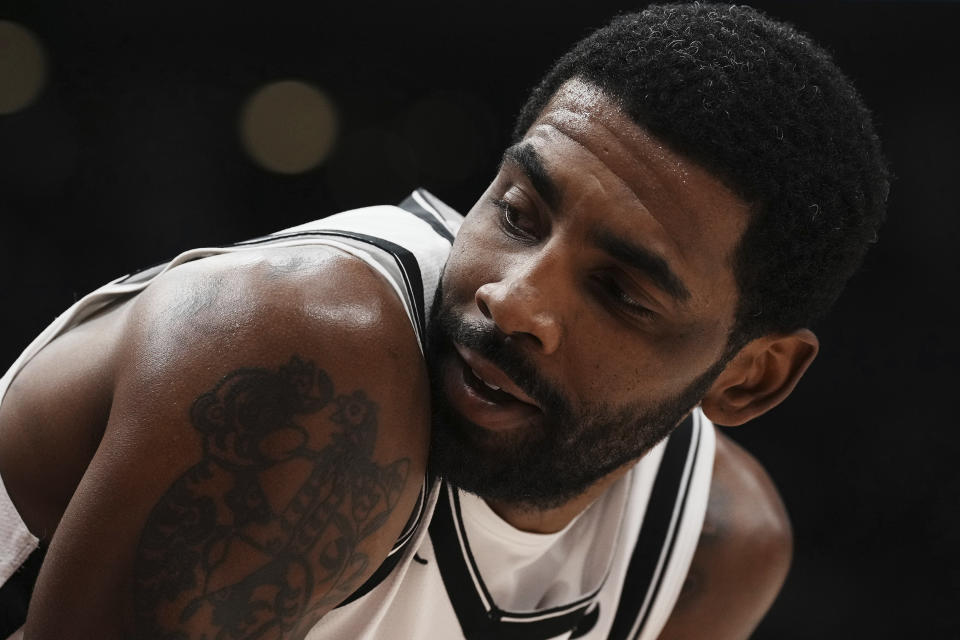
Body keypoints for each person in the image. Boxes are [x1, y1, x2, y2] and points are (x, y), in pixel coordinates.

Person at [0, 3, 888, 638]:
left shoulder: (711, 551)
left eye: (619, 292)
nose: (515, 299)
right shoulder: (308, 366)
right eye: (518, 213)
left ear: (749, 376)